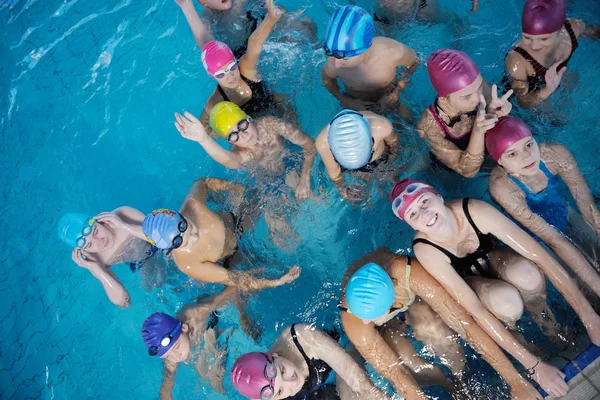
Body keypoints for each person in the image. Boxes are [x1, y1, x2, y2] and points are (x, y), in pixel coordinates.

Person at [392, 178, 600, 398]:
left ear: (439, 197)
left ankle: (548, 323)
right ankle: (524, 345)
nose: (424, 214)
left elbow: (539, 255)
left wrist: (589, 317)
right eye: (413, 214)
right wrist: (533, 366)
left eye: (425, 201)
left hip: (496, 259)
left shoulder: (473, 211)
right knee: (506, 303)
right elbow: (474, 311)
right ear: (411, 225)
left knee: (528, 275)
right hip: (473, 285)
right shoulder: (426, 250)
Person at [339, 248, 541, 400]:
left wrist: (515, 380)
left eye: (372, 315)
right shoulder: (355, 319)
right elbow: (394, 373)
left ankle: (462, 379)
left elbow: (464, 324)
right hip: (385, 321)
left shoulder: (408, 273)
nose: (366, 321)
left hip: (412, 300)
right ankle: (449, 386)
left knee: (436, 332)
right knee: (408, 363)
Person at [486, 116, 600, 298]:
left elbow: (586, 203)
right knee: (585, 287)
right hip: (538, 238)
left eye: (529, 145)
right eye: (512, 154)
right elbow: (553, 239)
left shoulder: (555, 154)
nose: (526, 156)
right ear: (500, 162)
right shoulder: (502, 187)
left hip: (562, 211)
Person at [142, 178, 300, 290]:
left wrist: (232, 187)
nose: (194, 235)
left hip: (237, 219)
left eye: (186, 226)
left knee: (271, 195)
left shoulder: (193, 204)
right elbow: (232, 278)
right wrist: (277, 282)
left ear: (180, 215)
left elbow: (203, 182)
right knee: (244, 286)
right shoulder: (188, 263)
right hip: (232, 257)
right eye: (182, 241)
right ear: (171, 248)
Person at [177, 0, 289, 131]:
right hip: (252, 128)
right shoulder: (215, 101)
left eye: (232, 68)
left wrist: (270, 19)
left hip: (276, 106)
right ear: (212, 76)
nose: (230, 76)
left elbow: (254, 45)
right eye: (220, 74)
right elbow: (203, 129)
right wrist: (213, 134)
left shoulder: (246, 69)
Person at [175, 102, 315, 201]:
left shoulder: (271, 125)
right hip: (268, 182)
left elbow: (309, 144)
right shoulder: (244, 153)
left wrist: (305, 178)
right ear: (231, 142)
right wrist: (203, 139)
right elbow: (229, 160)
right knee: (276, 226)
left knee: (312, 198)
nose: (244, 135)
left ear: (249, 119)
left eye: (242, 125)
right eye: (234, 135)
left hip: (290, 162)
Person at [141, 286, 259, 398]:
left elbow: (232, 289)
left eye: (176, 347)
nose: (176, 356)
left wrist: (244, 318)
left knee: (211, 377)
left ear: (183, 328)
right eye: (167, 355)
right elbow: (165, 391)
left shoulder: (198, 314)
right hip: (203, 334)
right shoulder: (171, 357)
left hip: (211, 320)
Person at [416, 49, 513, 177]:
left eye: (479, 88)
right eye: (466, 97)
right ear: (443, 99)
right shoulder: (429, 126)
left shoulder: (474, 86)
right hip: (451, 174)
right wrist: (478, 131)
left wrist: (497, 112)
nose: (478, 99)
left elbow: (501, 122)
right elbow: (468, 172)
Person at [230, 325, 390, 400]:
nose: (291, 382)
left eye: (283, 371)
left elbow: (358, 380)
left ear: (275, 355)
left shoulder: (304, 339)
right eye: (280, 391)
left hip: (340, 366)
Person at [321, 5, 418, 114]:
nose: (337, 64)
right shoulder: (334, 61)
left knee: (410, 121)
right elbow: (327, 80)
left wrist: (396, 92)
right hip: (354, 103)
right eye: (333, 55)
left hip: (389, 95)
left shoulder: (392, 51)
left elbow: (415, 62)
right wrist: (345, 100)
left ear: (364, 49)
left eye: (345, 58)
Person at [57, 207, 159, 308]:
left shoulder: (124, 215)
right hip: (141, 263)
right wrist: (99, 271)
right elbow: (124, 303)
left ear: (100, 221)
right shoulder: (95, 259)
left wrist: (125, 226)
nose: (100, 242)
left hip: (157, 246)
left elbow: (162, 234)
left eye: (95, 232)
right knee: (153, 292)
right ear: (84, 250)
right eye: (89, 245)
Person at [505, 0, 600, 108]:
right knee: (560, 120)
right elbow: (522, 102)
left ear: (559, 31)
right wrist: (548, 90)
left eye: (544, 39)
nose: (534, 46)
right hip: (534, 95)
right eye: (527, 37)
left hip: (559, 77)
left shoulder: (573, 28)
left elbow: (593, 31)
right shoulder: (517, 60)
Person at [316, 110, 399, 202]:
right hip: (353, 170)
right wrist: (342, 190)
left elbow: (393, 145)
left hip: (380, 158)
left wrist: (393, 162)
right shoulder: (322, 144)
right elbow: (335, 172)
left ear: (372, 141)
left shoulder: (382, 127)